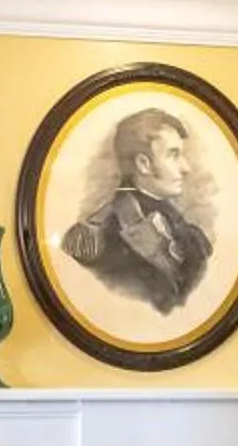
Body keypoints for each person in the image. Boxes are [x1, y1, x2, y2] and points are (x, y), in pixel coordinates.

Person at [60, 107, 213, 314]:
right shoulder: (100, 235)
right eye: (173, 155)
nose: (186, 168)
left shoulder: (181, 224)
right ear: (144, 164)